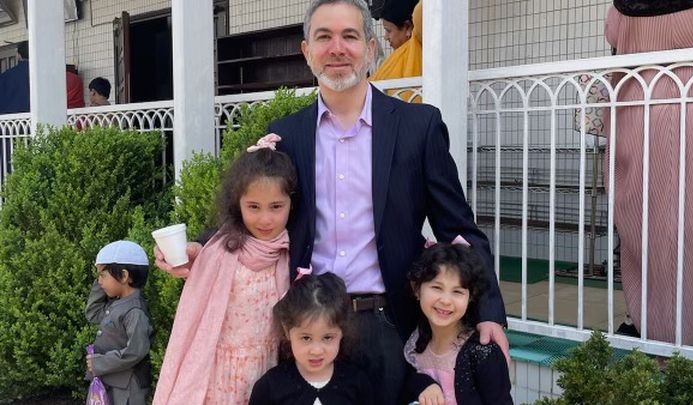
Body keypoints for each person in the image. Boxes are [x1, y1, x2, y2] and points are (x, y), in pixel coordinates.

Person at [155, 2, 508, 404]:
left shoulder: (417, 126)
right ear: (307, 51)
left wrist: (490, 312)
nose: (337, 48)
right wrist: (200, 248)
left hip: (388, 324)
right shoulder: (286, 135)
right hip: (310, 326)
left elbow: (457, 226)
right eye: (324, 37)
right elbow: (257, 208)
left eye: (349, 36)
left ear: (371, 48)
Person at [605, 0, 693, 347]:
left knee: (649, 231)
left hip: (642, 115)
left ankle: (660, 334)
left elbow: (615, 47)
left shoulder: (624, 7)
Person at [153, 134, 296, 404]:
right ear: (238, 204)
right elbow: (195, 262)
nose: (265, 218)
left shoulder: (292, 253)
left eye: (276, 207)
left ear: (291, 203)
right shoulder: (221, 250)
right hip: (217, 375)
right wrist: (184, 255)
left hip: (268, 373)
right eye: (253, 207)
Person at [404, 240, 512, 404]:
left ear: (471, 297)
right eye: (437, 288)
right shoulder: (415, 343)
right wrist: (424, 383)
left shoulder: (483, 353)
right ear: (417, 289)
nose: (446, 300)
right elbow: (406, 381)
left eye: (457, 291)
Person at [249, 272, 374, 404]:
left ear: (342, 331)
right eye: (306, 338)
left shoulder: (356, 383)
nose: (316, 351)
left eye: (327, 337)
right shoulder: (270, 387)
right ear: (287, 330)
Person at [85, 240, 153, 405]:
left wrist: (100, 362)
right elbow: (93, 313)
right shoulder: (117, 303)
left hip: (127, 388)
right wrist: (102, 278)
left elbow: (136, 351)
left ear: (123, 276)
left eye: (103, 276)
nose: (99, 281)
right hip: (109, 381)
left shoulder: (134, 311)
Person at [0, 40, 85, 113]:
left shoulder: (4, 77)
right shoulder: (48, 74)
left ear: (18, 55)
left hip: (9, 123)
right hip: (43, 122)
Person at [369, 0, 422, 82]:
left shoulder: (417, 47)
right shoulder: (396, 58)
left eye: (388, 30)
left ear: (408, 27)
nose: (385, 37)